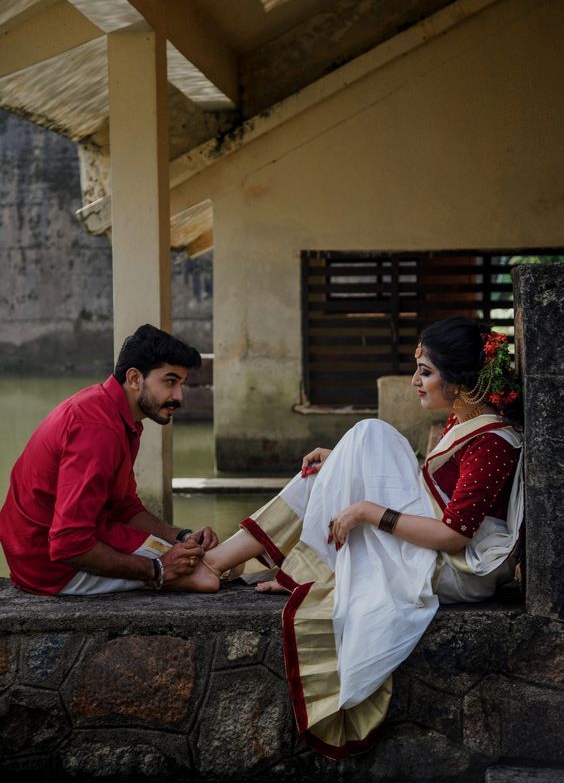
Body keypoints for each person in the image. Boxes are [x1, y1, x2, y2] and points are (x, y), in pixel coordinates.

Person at [174, 317, 524, 758]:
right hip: (437, 547)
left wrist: (368, 511)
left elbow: (454, 536)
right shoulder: (467, 419)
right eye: (417, 368)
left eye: (426, 372)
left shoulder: (491, 442)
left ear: (461, 381)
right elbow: (424, 487)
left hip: (454, 567)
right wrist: (343, 463)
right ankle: (219, 564)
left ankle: (226, 565)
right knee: (332, 463)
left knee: (369, 434)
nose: (415, 381)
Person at [0, 324, 219, 596]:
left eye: (181, 384)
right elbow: (68, 542)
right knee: (206, 575)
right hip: (50, 566)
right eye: (170, 381)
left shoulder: (118, 416)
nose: (179, 397)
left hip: (86, 537)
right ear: (135, 378)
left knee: (206, 559)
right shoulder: (97, 427)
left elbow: (124, 507)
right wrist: (157, 569)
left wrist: (182, 536)